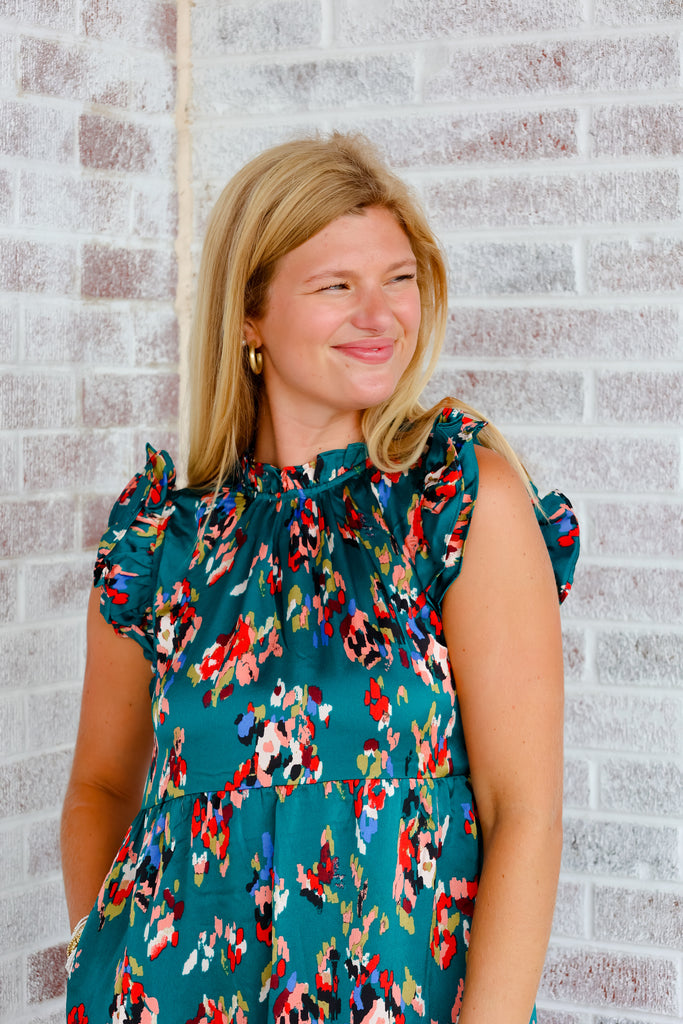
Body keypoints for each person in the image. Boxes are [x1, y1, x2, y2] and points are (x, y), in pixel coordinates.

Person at [61, 132, 579, 1024]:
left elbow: (522, 811)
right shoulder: (165, 538)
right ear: (249, 317)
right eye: (337, 286)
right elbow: (101, 786)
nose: (379, 315)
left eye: (398, 279)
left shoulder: (453, 502)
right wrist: (107, 962)